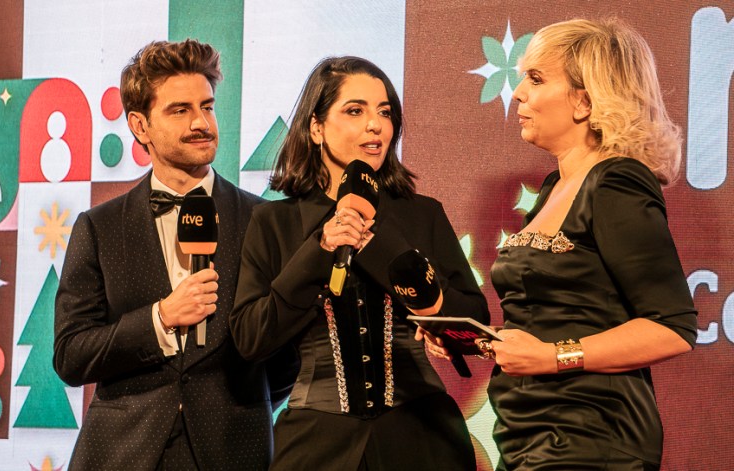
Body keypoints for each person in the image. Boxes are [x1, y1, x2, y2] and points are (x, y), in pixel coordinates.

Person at [431, 18, 698, 470]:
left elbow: (672, 327)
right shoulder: (556, 186)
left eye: (536, 79)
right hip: (527, 435)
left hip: (593, 437)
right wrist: (471, 340)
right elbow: (553, 316)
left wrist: (553, 357)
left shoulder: (616, 182)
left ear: (585, 100)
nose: (519, 93)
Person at [228, 56, 489, 470]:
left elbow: (475, 325)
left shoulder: (422, 214)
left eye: (384, 112)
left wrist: (383, 251)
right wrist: (319, 249)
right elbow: (251, 338)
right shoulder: (274, 222)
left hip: (424, 437)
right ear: (316, 127)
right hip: (315, 444)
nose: (375, 125)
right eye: (355, 111)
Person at [54, 39, 296, 470]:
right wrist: (159, 318)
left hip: (234, 451)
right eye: (180, 110)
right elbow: (71, 355)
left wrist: (237, 408)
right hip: (121, 454)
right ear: (140, 125)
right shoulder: (99, 227)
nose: (201, 122)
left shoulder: (264, 220)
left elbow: (285, 359)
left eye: (207, 107)